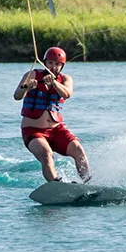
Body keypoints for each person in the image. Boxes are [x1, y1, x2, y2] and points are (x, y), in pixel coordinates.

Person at [15, 45, 91, 183]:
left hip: (57, 129)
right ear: (45, 63)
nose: (53, 67)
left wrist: (54, 83)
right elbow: (17, 95)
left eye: (57, 64)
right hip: (33, 131)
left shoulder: (66, 79)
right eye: (50, 63)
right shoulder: (32, 75)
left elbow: (67, 94)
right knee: (46, 154)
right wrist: (26, 87)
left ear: (62, 66)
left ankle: (89, 182)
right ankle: (55, 183)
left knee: (78, 149)